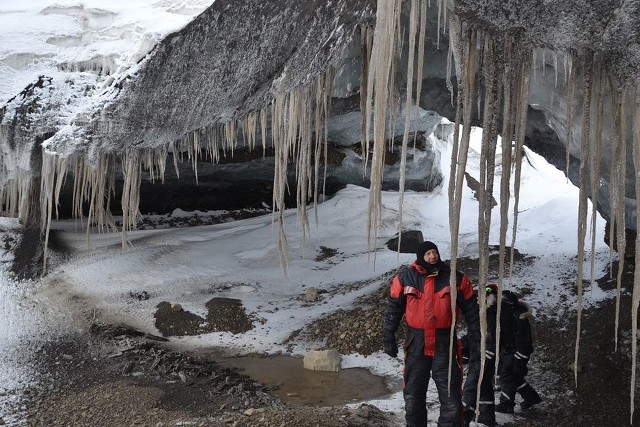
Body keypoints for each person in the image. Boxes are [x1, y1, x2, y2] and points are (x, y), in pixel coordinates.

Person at [383, 241, 481, 427]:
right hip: (416, 344)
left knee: (451, 399)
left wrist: (475, 338)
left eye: (434, 252)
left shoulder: (456, 279)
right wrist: (388, 337)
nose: (432, 256)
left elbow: (471, 311)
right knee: (413, 396)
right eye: (428, 253)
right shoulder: (404, 279)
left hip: (445, 344)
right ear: (420, 257)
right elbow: (393, 310)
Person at [494, 290, 542, 413]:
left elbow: (523, 343)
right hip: (509, 350)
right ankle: (532, 398)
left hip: (515, 352)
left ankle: (506, 405)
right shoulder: (508, 315)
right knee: (515, 377)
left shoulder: (517, 318)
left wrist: (519, 359)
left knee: (505, 376)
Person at [462, 284, 498, 427]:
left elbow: (494, 336)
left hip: (484, 356)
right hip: (479, 353)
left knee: (471, 387)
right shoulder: (482, 312)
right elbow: (474, 335)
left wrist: (489, 351)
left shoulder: (493, 314)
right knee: (484, 387)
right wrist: (462, 344)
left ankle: (462, 420)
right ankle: (487, 417)